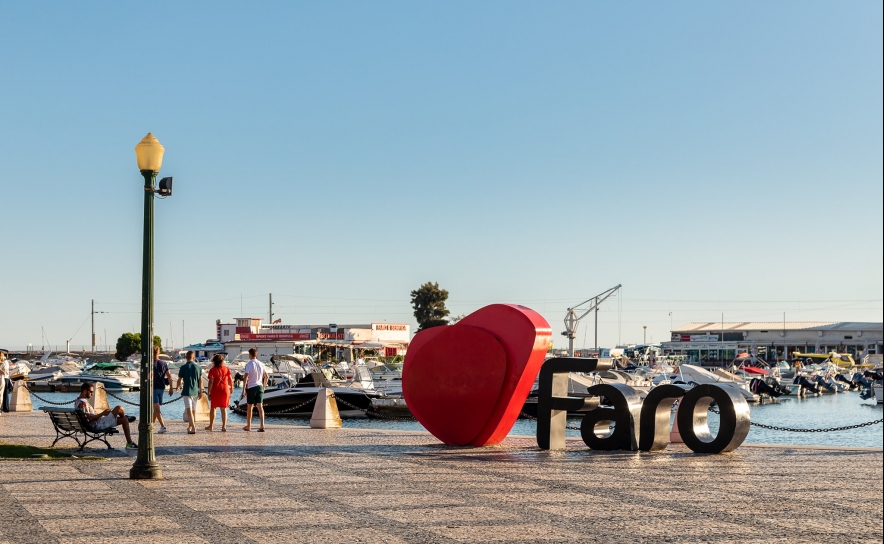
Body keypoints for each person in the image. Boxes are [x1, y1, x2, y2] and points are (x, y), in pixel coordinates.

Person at [75, 382, 137, 449]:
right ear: (84, 391)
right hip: (98, 425)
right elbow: (89, 418)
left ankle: (129, 443)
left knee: (124, 419)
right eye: (91, 392)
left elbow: (87, 417)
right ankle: (125, 416)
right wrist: (102, 414)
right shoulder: (83, 403)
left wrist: (101, 414)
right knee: (119, 408)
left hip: (98, 422)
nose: (92, 394)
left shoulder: (78, 401)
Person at [176, 351, 204, 434]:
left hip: (187, 391)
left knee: (189, 410)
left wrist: (178, 387)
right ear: (193, 357)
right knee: (193, 410)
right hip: (195, 391)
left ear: (186, 357)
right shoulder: (198, 367)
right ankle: (190, 426)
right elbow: (201, 380)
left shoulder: (183, 367)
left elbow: (179, 379)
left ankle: (194, 427)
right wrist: (201, 391)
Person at [241, 348, 268, 432]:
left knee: (250, 407)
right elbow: (266, 376)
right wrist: (264, 387)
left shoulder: (249, 364)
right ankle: (262, 426)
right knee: (260, 407)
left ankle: (249, 426)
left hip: (251, 386)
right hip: (259, 386)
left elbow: (245, 377)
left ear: (250, 355)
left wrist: (243, 389)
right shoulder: (261, 364)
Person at [206, 354, 233, 432]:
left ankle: (211, 426)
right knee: (223, 409)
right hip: (225, 390)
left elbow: (211, 382)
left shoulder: (212, 370)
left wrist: (209, 392)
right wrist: (232, 388)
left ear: (214, 361)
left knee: (213, 408)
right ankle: (224, 426)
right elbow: (230, 380)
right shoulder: (226, 369)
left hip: (215, 390)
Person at [152, 345, 174, 433]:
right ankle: (152, 425)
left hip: (153, 388)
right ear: (159, 353)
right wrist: (171, 387)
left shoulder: (150, 364)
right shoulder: (164, 363)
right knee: (156, 407)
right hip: (161, 387)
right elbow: (169, 376)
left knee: (156, 409)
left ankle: (163, 426)